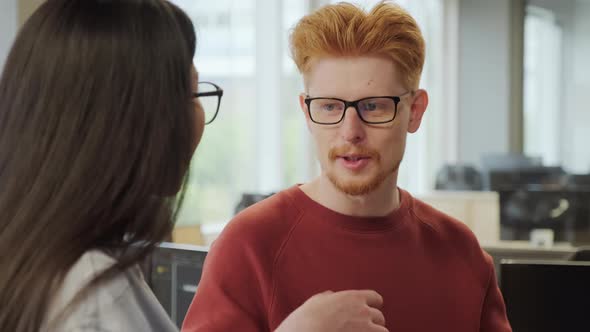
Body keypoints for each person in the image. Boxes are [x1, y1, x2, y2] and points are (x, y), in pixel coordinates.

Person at [182, 2, 512, 332]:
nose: (351, 131)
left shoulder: (462, 254)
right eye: (329, 107)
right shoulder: (247, 247)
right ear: (307, 112)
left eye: (373, 106)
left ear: (415, 111)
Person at [0, 0, 223, 331]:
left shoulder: (36, 260)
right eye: (192, 94)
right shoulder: (92, 300)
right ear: (134, 119)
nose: (198, 117)